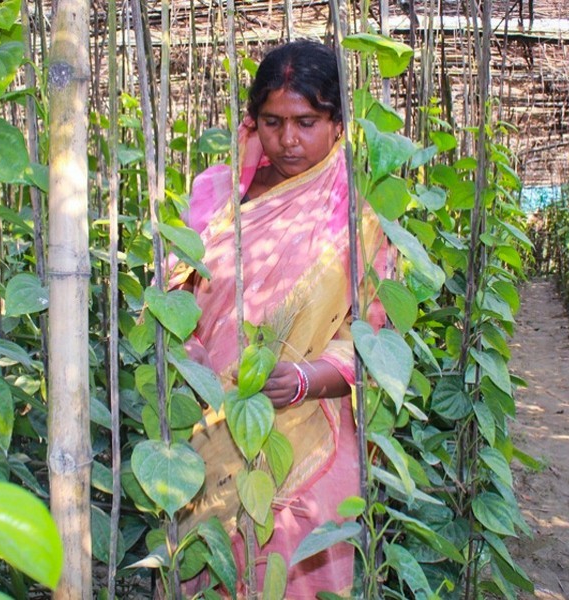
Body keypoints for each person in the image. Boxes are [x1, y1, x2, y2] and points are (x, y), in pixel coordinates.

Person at [171, 39, 387, 597]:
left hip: (310, 432)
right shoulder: (217, 195)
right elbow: (176, 295)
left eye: (306, 122)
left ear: (338, 123)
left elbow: (370, 336)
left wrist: (300, 382)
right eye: (273, 122)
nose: (288, 139)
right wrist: (192, 357)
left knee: (294, 571)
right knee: (210, 562)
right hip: (212, 424)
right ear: (253, 121)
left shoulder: (354, 211)